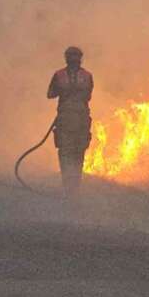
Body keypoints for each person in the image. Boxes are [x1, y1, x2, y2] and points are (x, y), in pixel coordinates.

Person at [47, 46, 93, 196]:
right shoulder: (86, 76)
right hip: (75, 120)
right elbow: (88, 96)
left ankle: (70, 187)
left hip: (70, 120)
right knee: (74, 152)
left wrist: (64, 91)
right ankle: (72, 188)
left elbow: (50, 94)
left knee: (70, 152)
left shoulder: (60, 75)